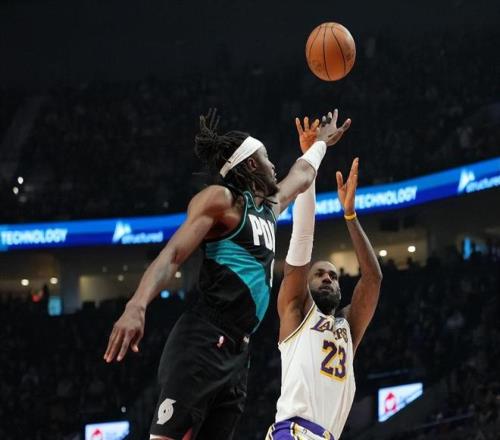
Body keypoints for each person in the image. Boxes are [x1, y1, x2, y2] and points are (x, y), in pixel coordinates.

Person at [103, 108, 351, 440]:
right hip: (204, 339)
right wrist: (137, 304)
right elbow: (173, 254)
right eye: (266, 158)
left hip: (238, 353)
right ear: (250, 165)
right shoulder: (223, 201)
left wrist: (317, 144)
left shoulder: (270, 207)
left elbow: (303, 173)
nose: (273, 165)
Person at [267, 156, 382, 440]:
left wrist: (350, 216)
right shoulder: (297, 312)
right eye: (319, 274)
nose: (328, 278)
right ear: (305, 286)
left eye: (333, 275)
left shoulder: (347, 329)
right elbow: (301, 241)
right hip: (293, 432)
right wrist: (310, 161)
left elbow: (373, 279)